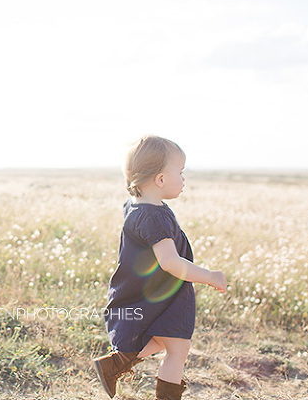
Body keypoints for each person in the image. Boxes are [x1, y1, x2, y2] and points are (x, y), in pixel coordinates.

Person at [93, 135, 227, 400]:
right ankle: (118, 366)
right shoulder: (154, 217)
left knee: (171, 342)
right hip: (163, 293)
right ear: (161, 180)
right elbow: (170, 262)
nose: (184, 179)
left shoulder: (137, 206)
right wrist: (209, 276)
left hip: (156, 290)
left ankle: (115, 364)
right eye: (180, 172)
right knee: (177, 349)